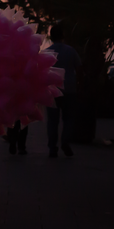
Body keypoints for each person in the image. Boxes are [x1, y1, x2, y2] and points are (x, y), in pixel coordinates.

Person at [45, 22, 81, 158]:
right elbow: (79, 68)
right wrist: (79, 84)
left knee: (53, 120)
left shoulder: (47, 52)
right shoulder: (70, 50)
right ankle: (65, 141)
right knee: (68, 119)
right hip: (70, 89)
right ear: (63, 35)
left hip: (52, 90)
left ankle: (52, 148)